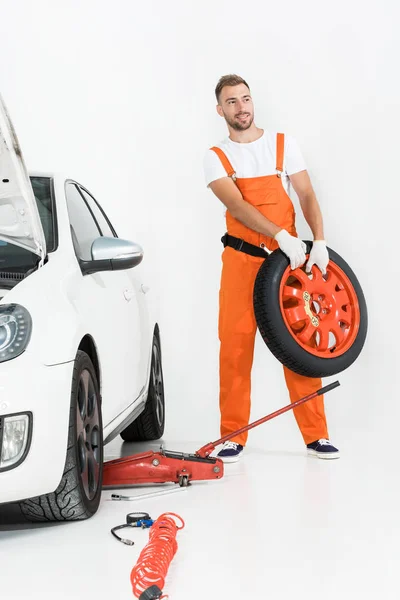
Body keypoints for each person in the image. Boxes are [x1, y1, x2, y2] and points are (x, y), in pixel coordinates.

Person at [203, 74, 339, 463]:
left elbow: (307, 193)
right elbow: (237, 205)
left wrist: (320, 239)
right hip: (242, 260)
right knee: (235, 345)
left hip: (289, 265)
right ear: (220, 109)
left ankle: (317, 436)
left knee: (299, 346)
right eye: (231, 102)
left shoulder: (283, 145)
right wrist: (280, 233)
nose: (241, 107)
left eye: (245, 99)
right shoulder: (216, 156)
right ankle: (232, 436)